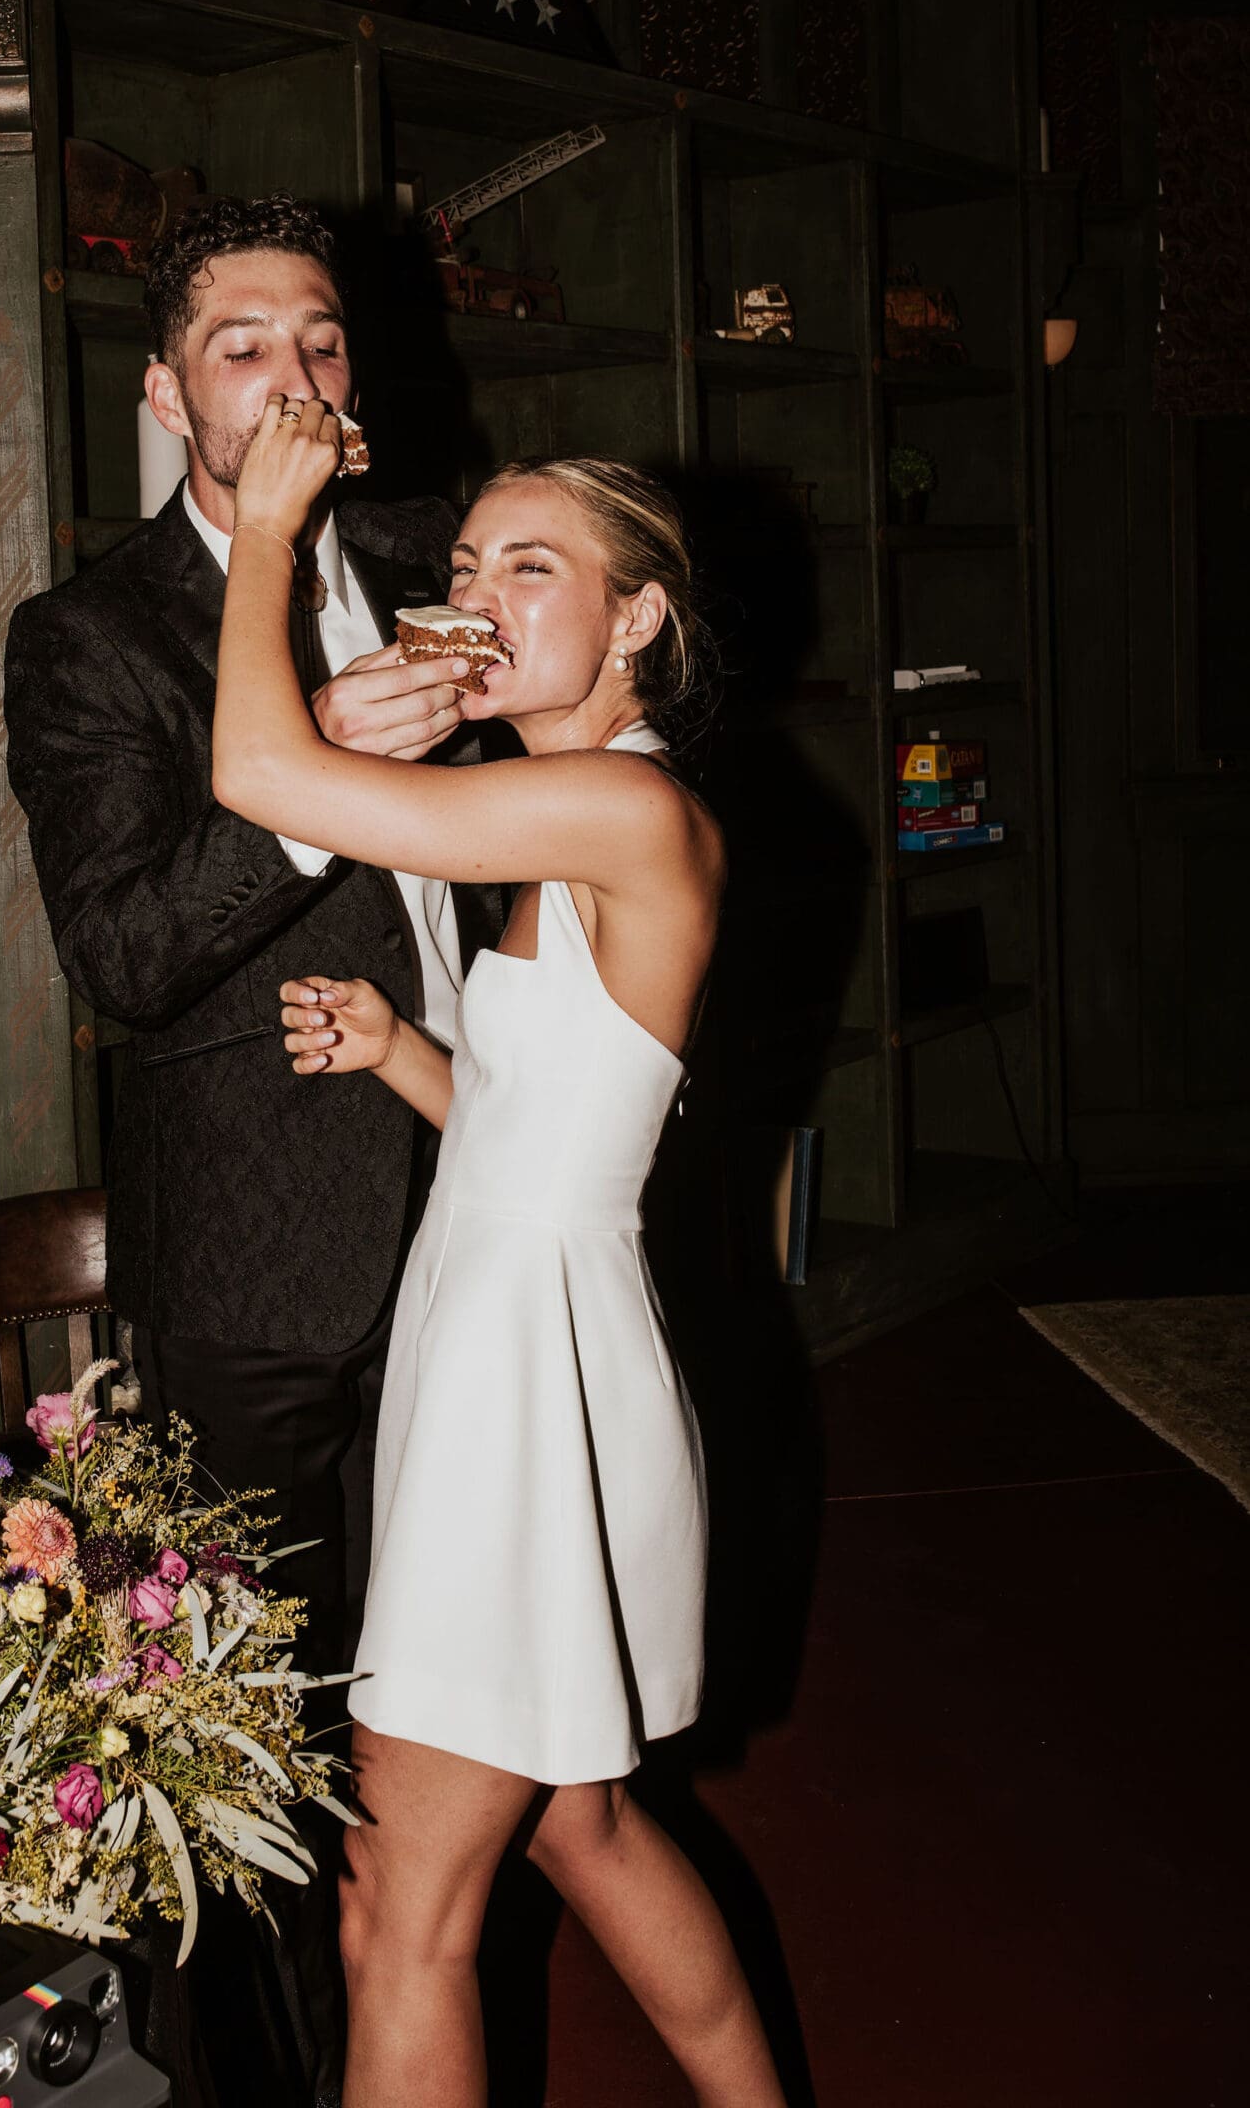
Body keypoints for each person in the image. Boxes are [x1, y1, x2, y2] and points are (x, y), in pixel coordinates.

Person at [212, 403, 787, 2108]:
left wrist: (264, 532)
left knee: (401, 1908)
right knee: (583, 1825)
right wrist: (404, 1049)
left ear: (638, 622)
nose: (477, 592)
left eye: (534, 568)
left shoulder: (619, 808)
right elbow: (552, 1140)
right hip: (528, 1324)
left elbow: (265, 777)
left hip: (524, 1377)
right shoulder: (568, 808)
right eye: (464, 563)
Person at [2, 196, 501, 2104]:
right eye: (242, 348)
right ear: (164, 392)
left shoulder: (427, 557)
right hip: (265, 1268)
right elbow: (123, 957)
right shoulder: (92, 633)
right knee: (256, 1747)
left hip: (479, 1207)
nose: (292, 378)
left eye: (322, 345)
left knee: (449, 1720)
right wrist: (323, 796)